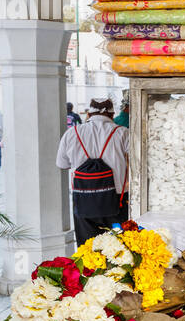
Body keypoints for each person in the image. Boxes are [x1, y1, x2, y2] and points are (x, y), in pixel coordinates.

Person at [56, 97, 130, 243]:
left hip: (84, 200)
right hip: (116, 202)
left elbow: (62, 164)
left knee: (88, 249)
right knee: (120, 250)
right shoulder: (123, 133)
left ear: (89, 115)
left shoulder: (71, 133)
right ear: (112, 115)